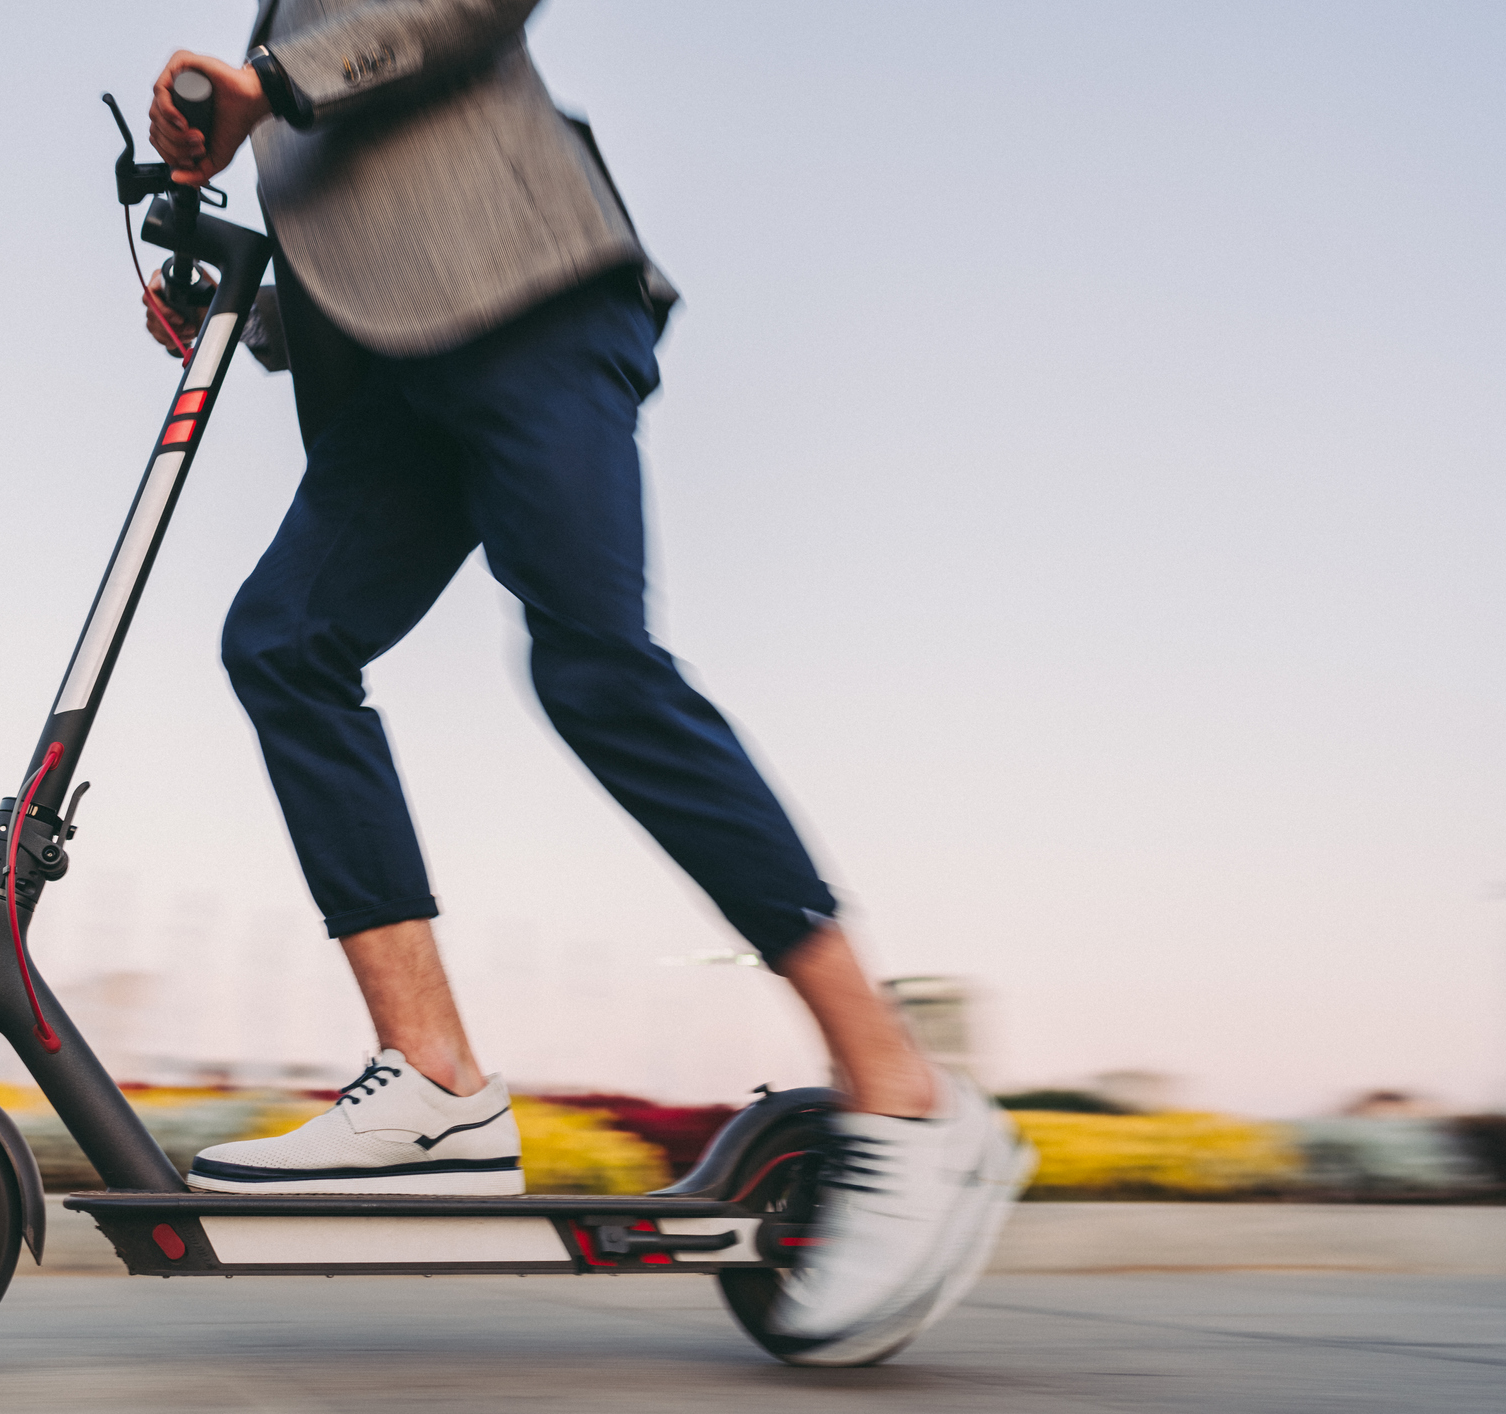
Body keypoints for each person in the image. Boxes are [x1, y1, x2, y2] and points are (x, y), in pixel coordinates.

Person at [141, 1, 1029, 1354]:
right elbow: (373, 234)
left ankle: (903, 1089)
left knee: (595, 666)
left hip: (534, 305)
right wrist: (243, 306)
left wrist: (265, 81)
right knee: (284, 642)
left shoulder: (289, 39)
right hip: (392, 388)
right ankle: (434, 1075)